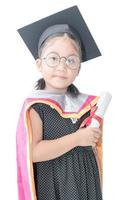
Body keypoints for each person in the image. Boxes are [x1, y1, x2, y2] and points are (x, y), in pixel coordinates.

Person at [16, 6, 103, 200]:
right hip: (53, 184)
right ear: (39, 64)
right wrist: (78, 139)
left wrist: (92, 136)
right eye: (53, 58)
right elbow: (33, 152)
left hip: (85, 181)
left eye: (71, 60)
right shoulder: (37, 106)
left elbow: (90, 145)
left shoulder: (85, 105)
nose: (62, 66)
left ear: (79, 68)